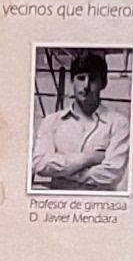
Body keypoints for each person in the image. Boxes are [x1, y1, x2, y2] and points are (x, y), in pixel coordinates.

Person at [31, 52, 127, 192]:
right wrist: (88, 159)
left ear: (103, 83)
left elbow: (112, 174)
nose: (86, 86)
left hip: (101, 207)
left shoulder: (118, 124)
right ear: (72, 81)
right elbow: (39, 164)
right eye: (81, 78)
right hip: (58, 205)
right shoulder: (51, 122)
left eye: (93, 79)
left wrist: (64, 173)